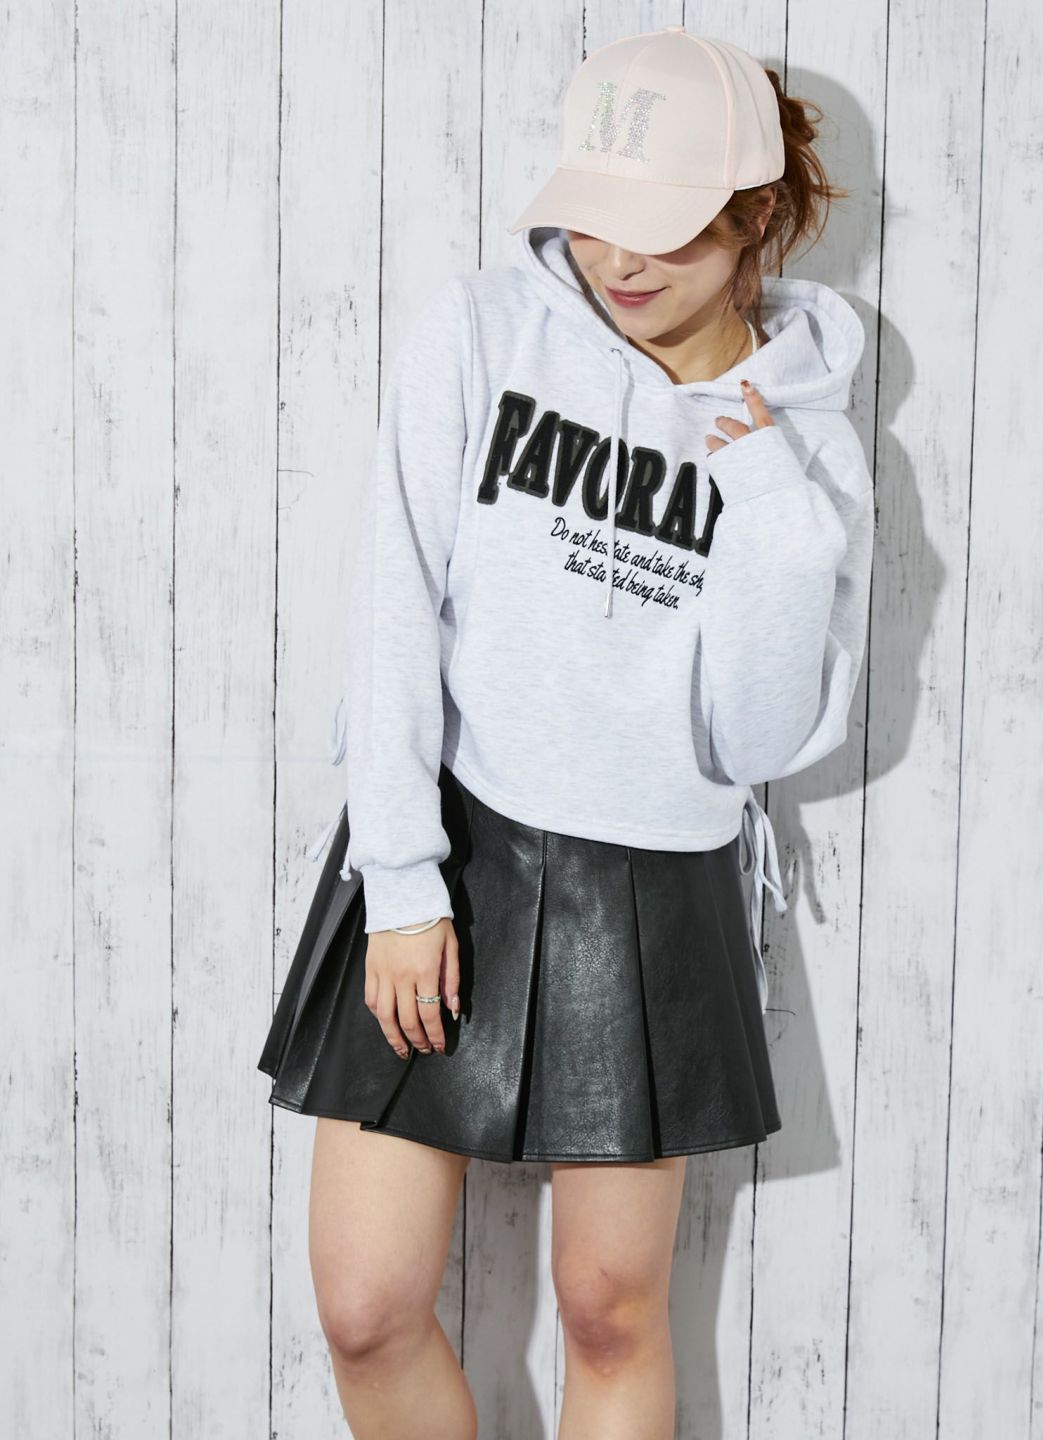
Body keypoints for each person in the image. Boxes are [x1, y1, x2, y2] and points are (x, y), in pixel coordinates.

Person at [258, 24, 874, 1440]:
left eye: (667, 227)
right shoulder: (483, 333)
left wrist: (770, 502)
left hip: (655, 879)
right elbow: (395, 606)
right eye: (595, 217)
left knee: (608, 1313)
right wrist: (400, 881)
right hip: (449, 843)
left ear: (757, 216)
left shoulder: (810, 448)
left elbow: (757, 738)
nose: (620, 260)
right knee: (366, 1305)